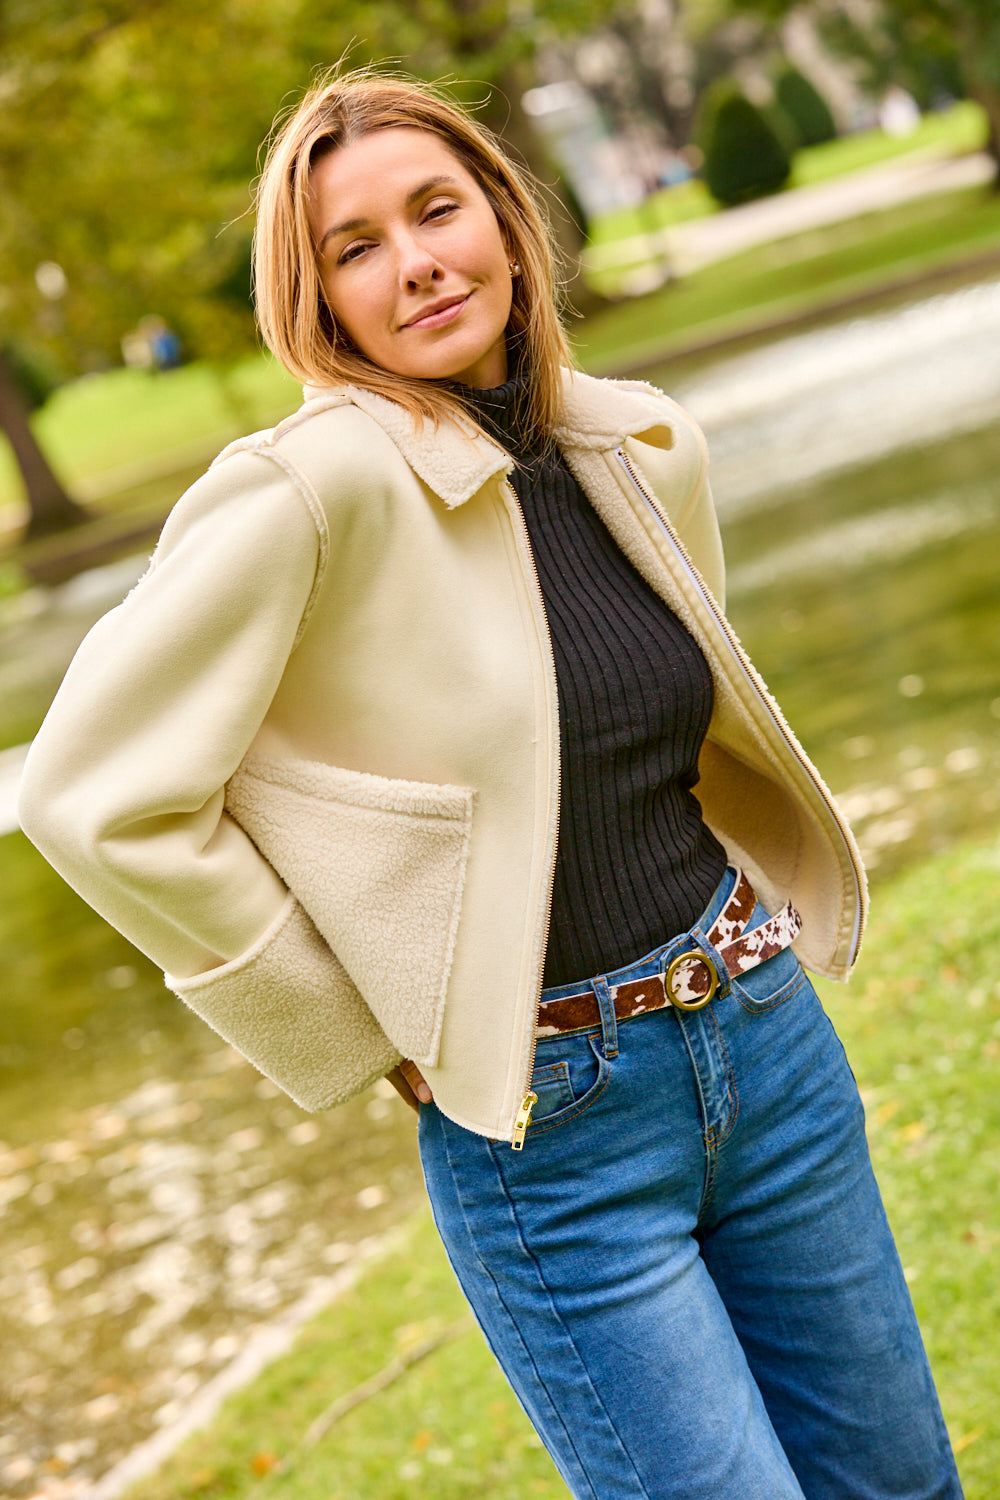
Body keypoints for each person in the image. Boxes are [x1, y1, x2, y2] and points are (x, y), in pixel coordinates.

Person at [18, 69, 963, 1500]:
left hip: (765, 1038)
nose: (416, 263)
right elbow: (92, 791)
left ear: (506, 222)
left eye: (437, 209)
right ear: (319, 302)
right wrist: (353, 1024)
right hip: (554, 1137)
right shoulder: (308, 491)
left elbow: (666, 737)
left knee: (903, 1485)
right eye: (356, 247)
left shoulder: (637, 441)